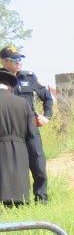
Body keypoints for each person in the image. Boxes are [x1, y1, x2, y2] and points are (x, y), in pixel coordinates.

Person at [0, 45, 52, 203]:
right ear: (3, 61)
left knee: (38, 163)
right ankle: (13, 201)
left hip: (30, 127)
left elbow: (47, 97)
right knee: (11, 165)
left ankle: (41, 199)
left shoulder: (29, 77)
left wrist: (46, 116)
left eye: (19, 58)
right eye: (13, 59)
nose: (18, 62)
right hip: (8, 128)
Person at [0, 70, 34, 206]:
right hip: (20, 151)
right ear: (10, 86)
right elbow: (32, 136)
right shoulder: (23, 103)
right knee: (19, 204)